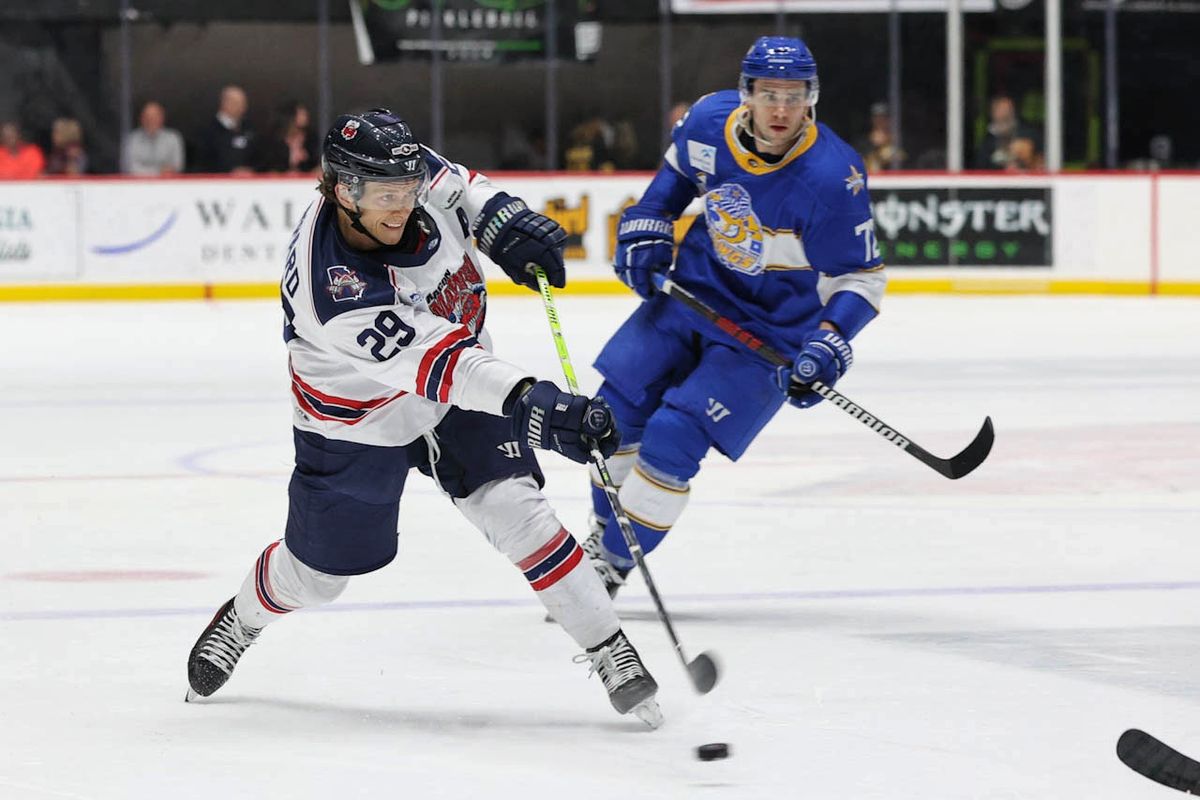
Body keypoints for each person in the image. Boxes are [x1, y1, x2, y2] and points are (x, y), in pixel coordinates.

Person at [184, 108, 662, 728]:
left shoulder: (405, 174)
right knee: (321, 577)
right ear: (340, 191)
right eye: (385, 194)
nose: (401, 205)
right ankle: (245, 617)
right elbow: (444, 364)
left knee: (518, 511)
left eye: (406, 189)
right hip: (359, 423)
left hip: (460, 393)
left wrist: (505, 223)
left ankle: (609, 647)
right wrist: (537, 406)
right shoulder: (333, 294)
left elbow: (460, 187)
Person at [577, 36, 886, 597]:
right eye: (769, 94)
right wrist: (647, 226)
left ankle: (612, 565)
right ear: (746, 94)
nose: (781, 110)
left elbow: (862, 278)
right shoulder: (707, 121)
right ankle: (603, 536)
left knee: (673, 435)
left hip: (767, 334)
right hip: (692, 294)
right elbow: (669, 187)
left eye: (794, 96)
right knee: (610, 417)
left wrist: (830, 341)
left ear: (811, 99)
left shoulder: (833, 178)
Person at [194, 85, 256, 174]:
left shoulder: (249, 128)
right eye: (236, 102)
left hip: (247, 184)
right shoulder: (206, 130)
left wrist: (251, 170)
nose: (242, 107)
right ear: (224, 103)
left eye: (243, 103)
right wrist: (229, 171)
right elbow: (203, 162)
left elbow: (257, 155)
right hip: (218, 184)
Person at [974, 94, 1040, 171]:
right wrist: (1002, 168)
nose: (1005, 114)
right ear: (992, 113)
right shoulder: (987, 142)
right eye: (1000, 110)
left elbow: (1042, 160)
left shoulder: (1030, 134)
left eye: (1008, 109)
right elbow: (980, 168)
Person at [123, 101, 185, 176]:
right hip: (139, 185)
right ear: (141, 119)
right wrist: (159, 172)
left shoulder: (173, 138)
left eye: (155, 116)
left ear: (162, 118)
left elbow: (177, 166)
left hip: (167, 185)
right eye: (147, 116)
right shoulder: (132, 139)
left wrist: (144, 171)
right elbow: (130, 168)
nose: (151, 120)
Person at [256, 100, 318, 174]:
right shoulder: (273, 139)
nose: (306, 117)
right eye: (301, 114)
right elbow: (267, 165)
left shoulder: (311, 137)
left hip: (303, 180)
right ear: (290, 116)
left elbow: (315, 162)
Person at [856, 101, 905, 172]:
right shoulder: (862, 143)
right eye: (876, 117)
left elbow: (906, 165)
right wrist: (874, 146)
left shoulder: (900, 141)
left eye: (884, 117)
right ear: (872, 119)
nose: (880, 121)